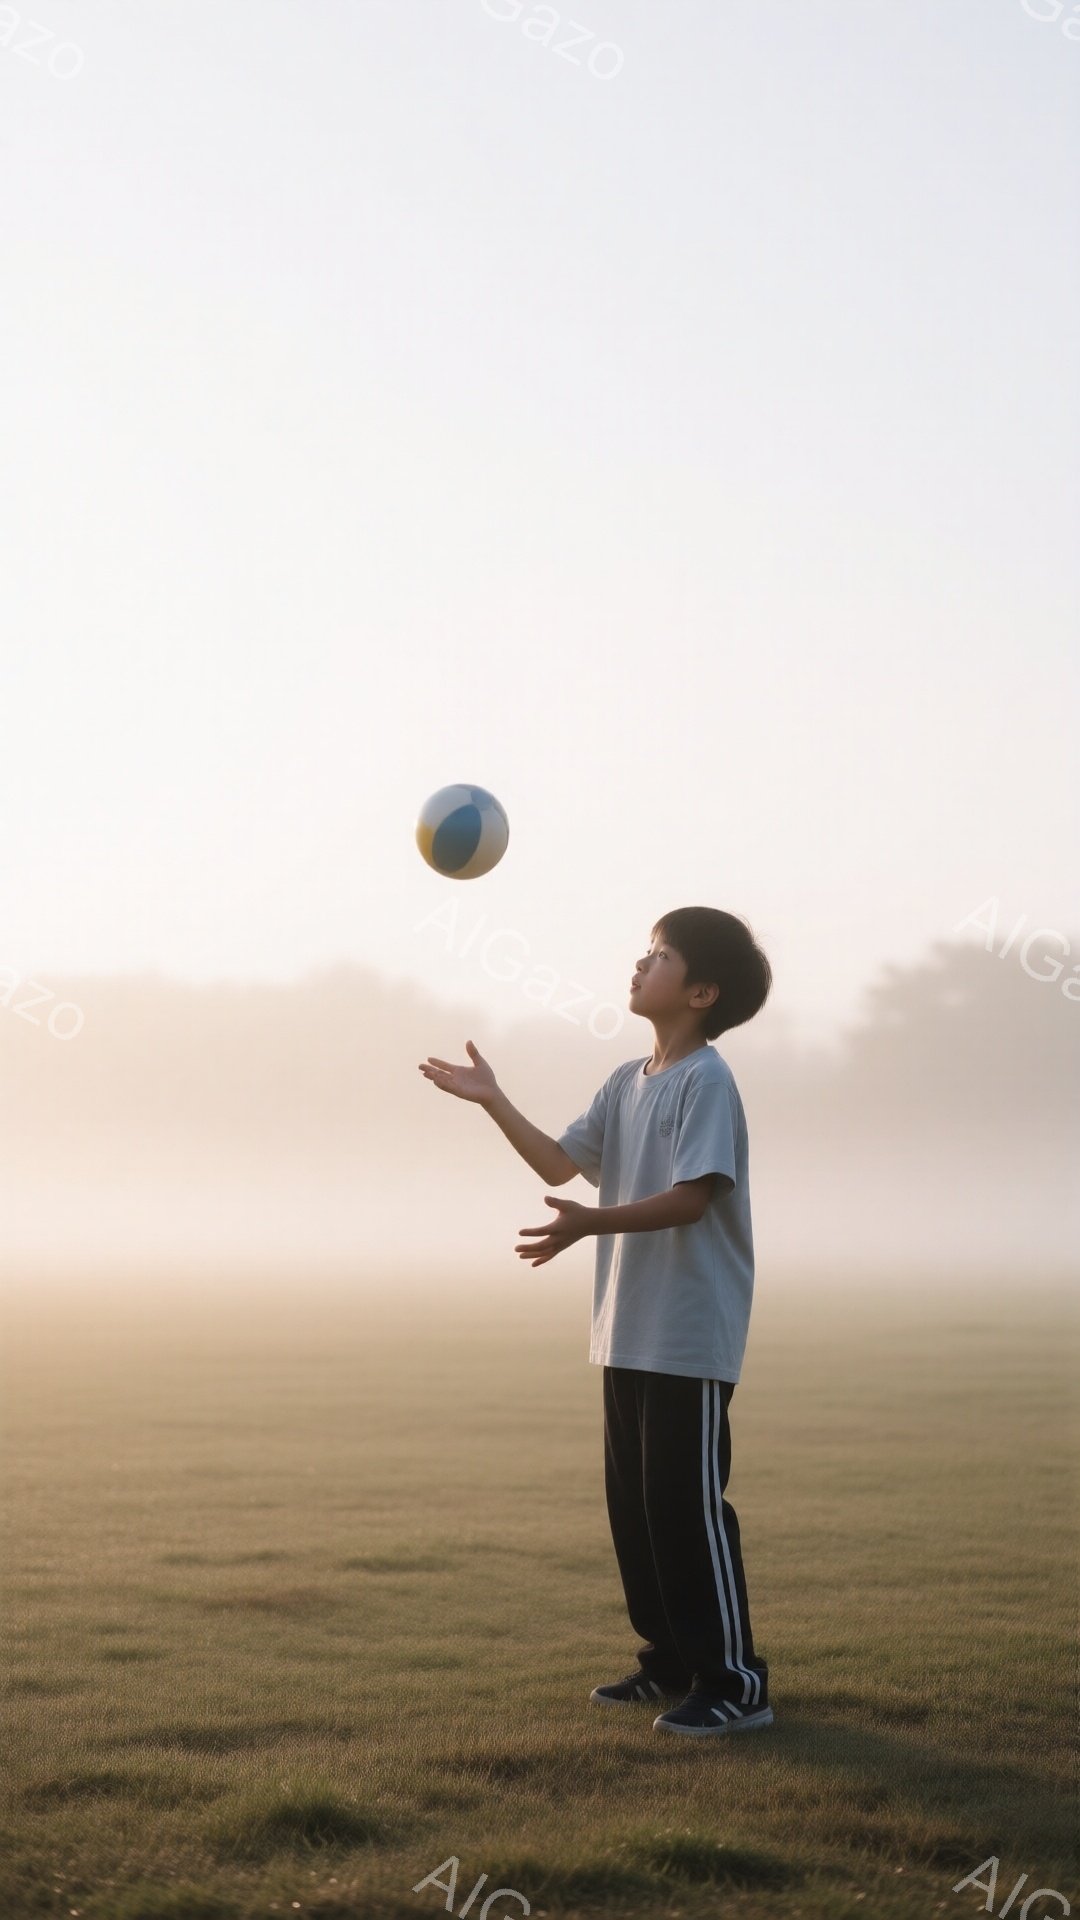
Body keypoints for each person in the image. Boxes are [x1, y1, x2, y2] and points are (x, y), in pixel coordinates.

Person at [417, 905, 774, 1740]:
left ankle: (736, 1682)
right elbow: (556, 1162)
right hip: (628, 1329)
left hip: (688, 1332)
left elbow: (692, 1199)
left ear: (702, 991)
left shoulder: (707, 1082)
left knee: (688, 1510)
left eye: (658, 956)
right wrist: (491, 1099)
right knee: (640, 1510)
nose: (639, 965)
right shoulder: (628, 1079)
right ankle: (673, 1663)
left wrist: (586, 1224)